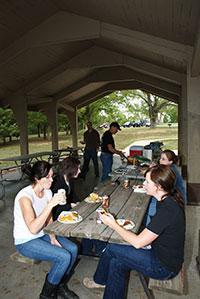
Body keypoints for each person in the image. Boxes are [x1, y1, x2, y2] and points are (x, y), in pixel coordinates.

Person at [83, 165, 185, 299]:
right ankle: (103, 283)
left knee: (111, 248)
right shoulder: (167, 199)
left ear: (159, 186)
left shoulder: (167, 209)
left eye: (147, 182)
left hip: (164, 267)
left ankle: (100, 281)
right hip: (162, 253)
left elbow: (137, 243)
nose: (144, 184)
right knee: (116, 262)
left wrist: (113, 224)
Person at [13, 160, 79, 299]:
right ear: (37, 179)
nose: (51, 180)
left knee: (73, 249)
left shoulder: (47, 192)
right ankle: (46, 295)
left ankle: (59, 285)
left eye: (52, 176)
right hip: (26, 241)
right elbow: (33, 228)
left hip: (43, 234)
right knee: (63, 256)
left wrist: (53, 237)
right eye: (47, 177)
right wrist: (51, 205)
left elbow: (49, 219)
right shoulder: (25, 197)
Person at [145, 149, 187, 225]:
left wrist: (153, 170)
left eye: (163, 159)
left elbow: (162, 187)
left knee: (145, 208)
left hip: (175, 199)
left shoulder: (171, 171)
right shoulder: (169, 168)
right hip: (171, 196)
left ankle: (149, 227)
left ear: (170, 162)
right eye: (160, 158)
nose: (160, 161)